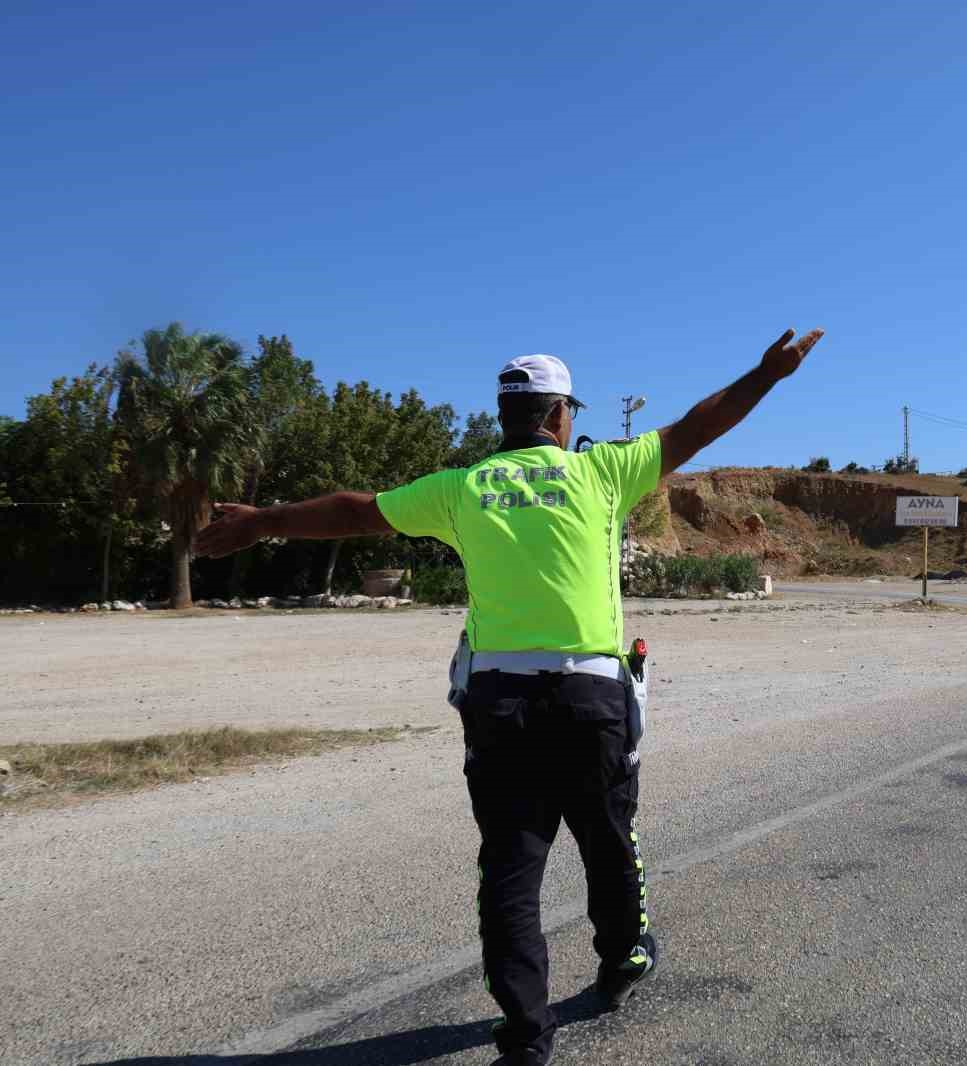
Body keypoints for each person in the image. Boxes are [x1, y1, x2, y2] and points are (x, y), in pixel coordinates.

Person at [195, 327, 824, 1066]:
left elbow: (353, 509)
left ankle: (526, 1035)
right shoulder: (602, 474)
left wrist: (261, 524)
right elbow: (698, 427)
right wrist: (765, 374)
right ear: (562, 416)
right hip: (591, 697)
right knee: (608, 839)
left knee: (512, 869)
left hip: (499, 704)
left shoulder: (463, 489)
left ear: (506, 415)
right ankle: (623, 958)